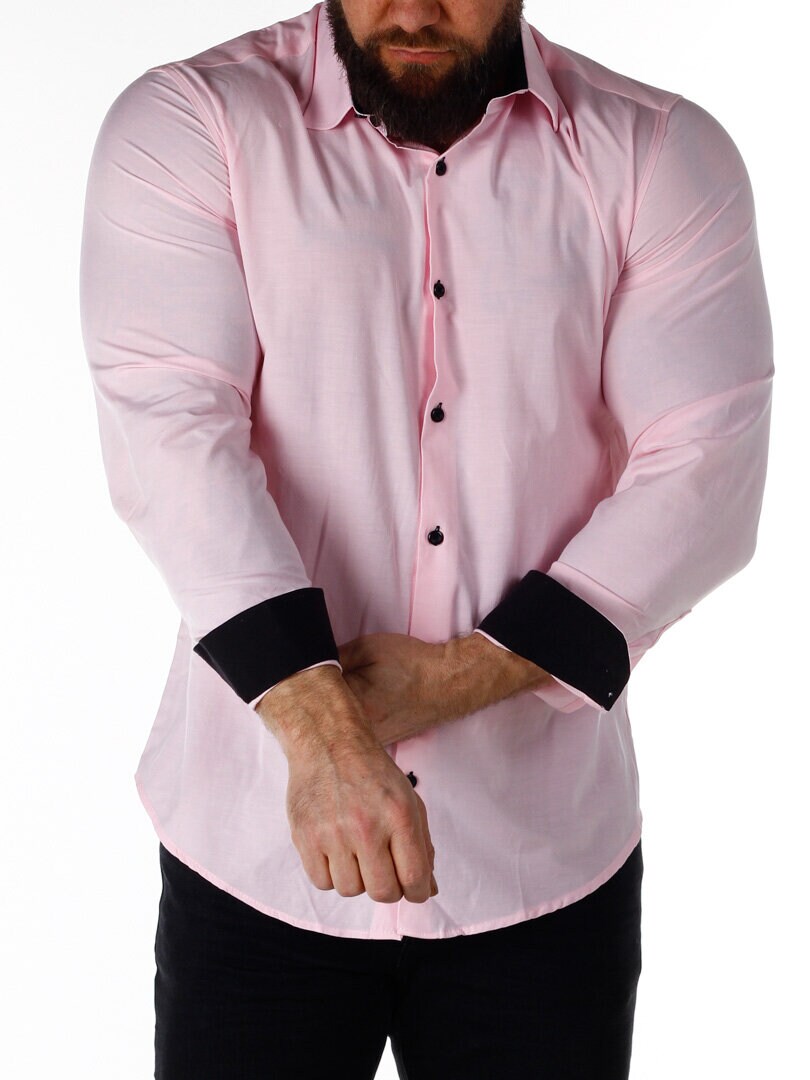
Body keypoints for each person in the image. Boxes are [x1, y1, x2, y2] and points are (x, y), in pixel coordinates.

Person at [78, 0, 773, 1076]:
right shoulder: (195, 121)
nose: (410, 9)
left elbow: (705, 460)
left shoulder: (660, 155)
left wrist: (464, 675)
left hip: (543, 869)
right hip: (255, 856)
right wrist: (321, 729)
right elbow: (172, 433)